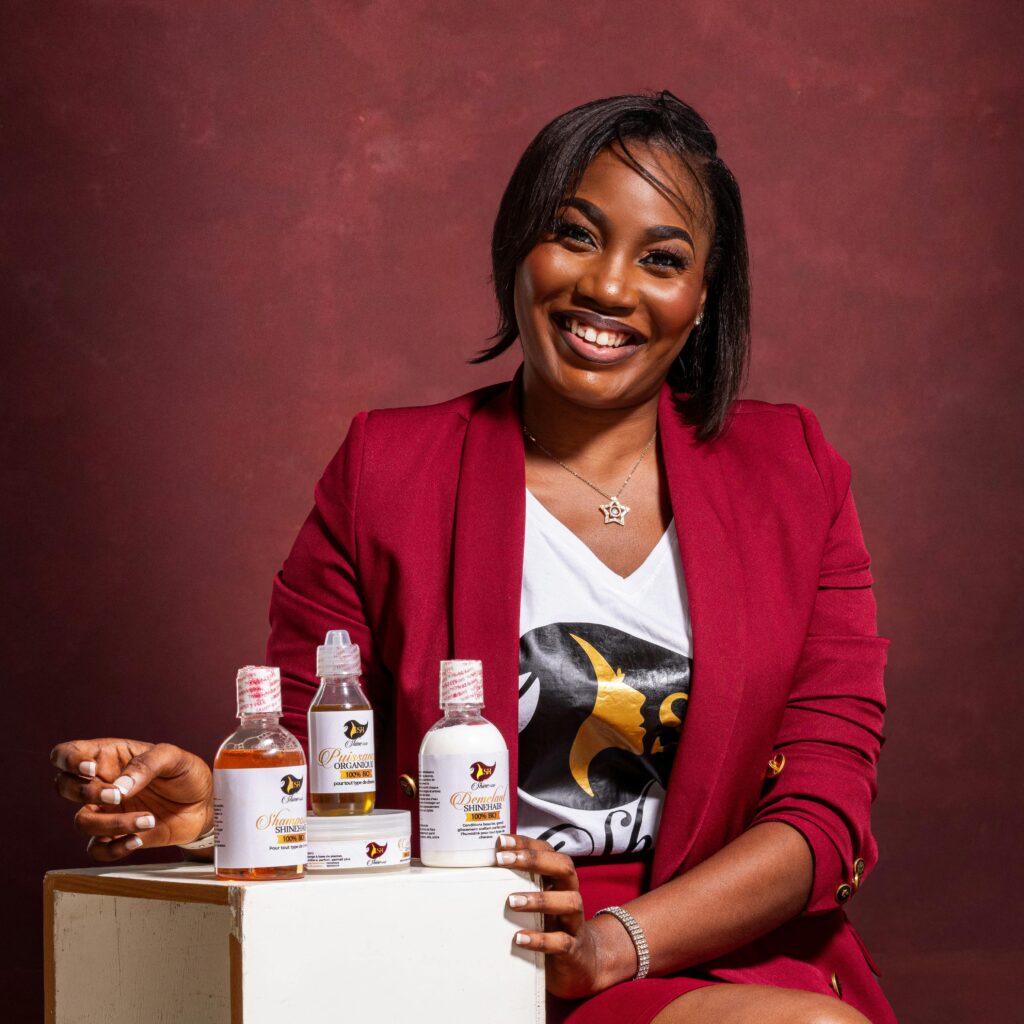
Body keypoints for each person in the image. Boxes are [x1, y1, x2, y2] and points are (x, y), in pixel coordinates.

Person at [50, 91, 894, 1024]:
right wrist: (222, 807)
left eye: (662, 260)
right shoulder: (387, 471)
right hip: (456, 946)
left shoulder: (793, 472)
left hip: (703, 948)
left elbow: (824, 806)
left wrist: (618, 944)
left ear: (701, 302)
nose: (610, 288)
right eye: (575, 235)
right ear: (518, 251)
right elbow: (315, 745)